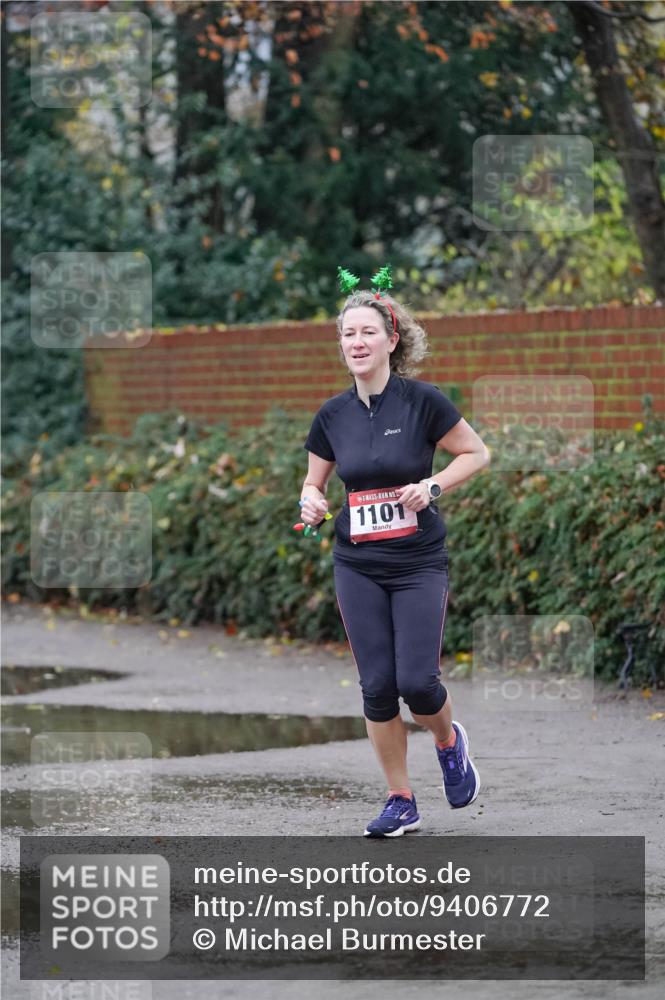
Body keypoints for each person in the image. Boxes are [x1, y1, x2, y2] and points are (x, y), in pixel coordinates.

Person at [300, 268, 490, 838]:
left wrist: (432, 487)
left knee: (418, 682)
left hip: (417, 561)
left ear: (391, 339)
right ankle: (400, 798)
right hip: (357, 562)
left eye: (365, 333)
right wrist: (311, 502)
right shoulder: (332, 416)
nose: (355, 343)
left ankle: (449, 741)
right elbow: (314, 484)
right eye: (346, 335)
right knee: (377, 686)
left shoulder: (423, 401)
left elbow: (476, 453)